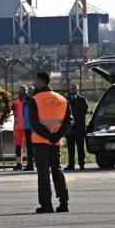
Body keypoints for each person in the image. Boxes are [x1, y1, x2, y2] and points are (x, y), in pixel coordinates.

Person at [27, 71, 72, 213]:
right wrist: (56, 136)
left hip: (40, 141)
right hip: (56, 141)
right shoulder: (62, 99)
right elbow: (68, 121)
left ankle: (46, 204)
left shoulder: (35, 99)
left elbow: (34, 123)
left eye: (35, 81)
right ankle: (64, 202)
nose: (34, 83)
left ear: (40, 82)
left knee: (44, 173)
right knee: (57, 170)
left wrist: (47, 136)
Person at [65, 83, 89, 171]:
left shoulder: (82, 100)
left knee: (80, 147)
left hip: (79, 128)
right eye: (71, 89)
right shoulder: (66, 100)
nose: (72, 90)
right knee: (70, 148)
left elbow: (84, 111)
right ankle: (71, 164)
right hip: (69, 129)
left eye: (74, 88)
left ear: (77, 89)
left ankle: (81, 164)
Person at [11, 85, 29, 171]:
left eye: (24, 90)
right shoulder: (14, 101)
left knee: (29, 146)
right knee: (18, 147)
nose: (22, 92)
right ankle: (19, 164)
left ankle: (30, 163)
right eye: (21, 90)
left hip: (27, 127)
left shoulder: (29, 101)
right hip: (17, 127)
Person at [21, 84, 36, 171]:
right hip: (27, 127)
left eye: (31, 92)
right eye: (29, 92)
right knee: (29, 147)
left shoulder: (34, 101)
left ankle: (37, 163)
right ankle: (30, 165)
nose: (30, 93)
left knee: (36, 147)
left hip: (34, 128)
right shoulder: (25, 102)